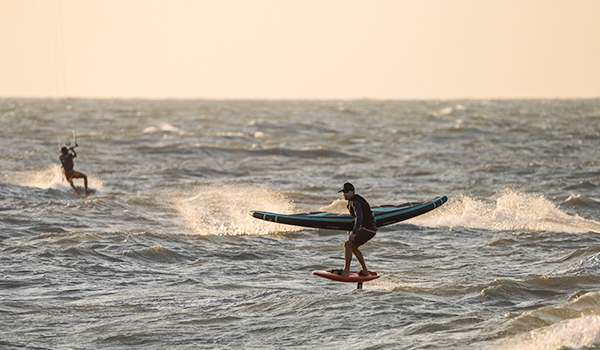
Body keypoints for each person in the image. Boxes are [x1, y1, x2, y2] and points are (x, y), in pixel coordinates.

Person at [334, 182, 377, 276]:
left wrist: (354, 233)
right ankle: (364, 270)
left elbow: (360, 217)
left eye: (347, 192)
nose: (344, 194)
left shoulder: (355, 202)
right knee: (353, 247)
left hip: (368, 229)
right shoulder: (354, 200)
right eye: (343, 192)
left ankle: (346, 271)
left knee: (347, 245)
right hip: (370, 229)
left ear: (352, 192)